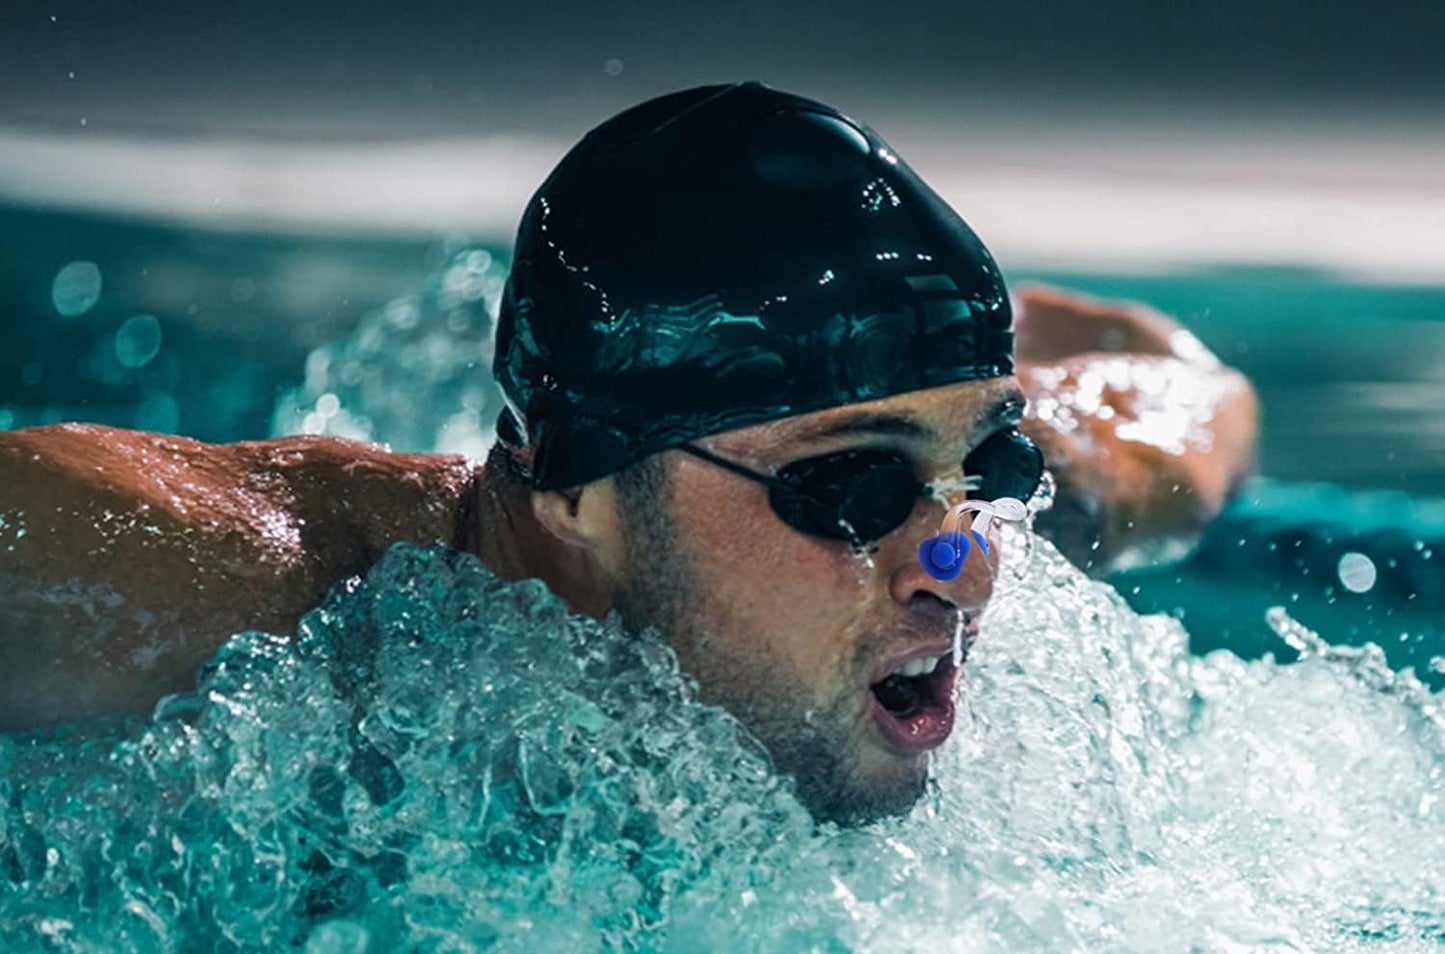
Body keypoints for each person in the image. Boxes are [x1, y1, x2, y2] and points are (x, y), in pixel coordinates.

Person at [0, 83, 1257, 823]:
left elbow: (1188, 400)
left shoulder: (984, 527)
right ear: (572, 492)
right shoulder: (226, 591)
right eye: (850, 486)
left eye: (987, 466)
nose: (962, 564)